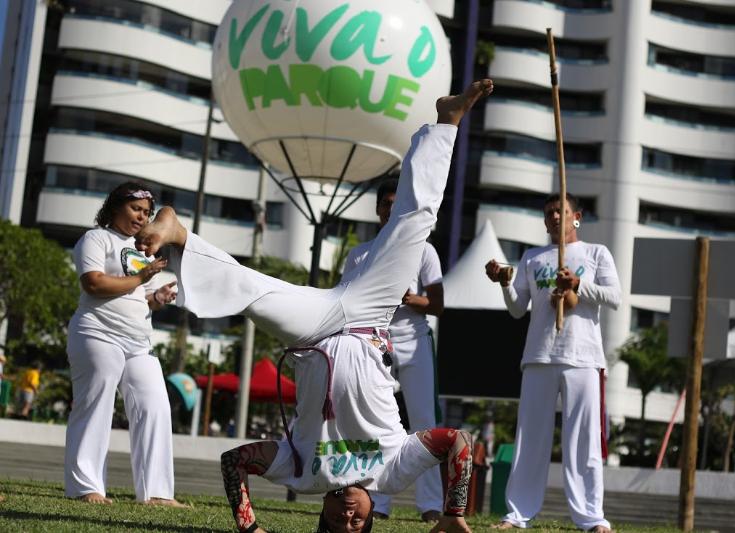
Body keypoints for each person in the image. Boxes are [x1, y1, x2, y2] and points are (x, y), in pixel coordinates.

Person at [135, 79, 494, 533]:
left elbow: (235, 461)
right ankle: (448, 120)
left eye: (336, 526)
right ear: (369, 523)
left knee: (250, 291)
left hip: (315, 331)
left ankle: (180, 233)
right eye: (356, 526)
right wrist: (453, 514)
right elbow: (457, 441)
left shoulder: (303, 474)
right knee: (414, 225)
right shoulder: (392, 471)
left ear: (320, 517)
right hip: (367, 316)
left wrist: (249, 527)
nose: (347, 517)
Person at [485, 193, 619, 532]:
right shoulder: (532, 257)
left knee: (583, 438)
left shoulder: (595, 253)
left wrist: (578, 284)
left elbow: (614, 297)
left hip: (582, 357)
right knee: (530, 437)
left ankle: (592, 518)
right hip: (539, 355)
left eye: (562, 211)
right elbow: (517, 308)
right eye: (550, 213)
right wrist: (504, 282)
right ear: (545, 221)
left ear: (577, 216)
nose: (556, 217)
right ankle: (517, 514)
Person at [63, 181, 183, 507]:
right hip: (97, 332)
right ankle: (86, 487)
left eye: (146, 212)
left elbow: (136, 295)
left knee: (155, 405)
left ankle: (157, 493)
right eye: (135, 209)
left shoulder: (143, 249)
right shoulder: (96, 238)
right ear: (115, 206)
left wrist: (156, 296)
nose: (142, 217)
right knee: (96, 406)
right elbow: (94, 284)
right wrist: (143, 279)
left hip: (138, 341)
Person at [341, 177, 445, 522]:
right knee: (375, 422)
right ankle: (377, 503)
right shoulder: (360, 254)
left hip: (414, 340)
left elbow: (437, 304)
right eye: (385, 204)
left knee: (423, 422)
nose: (390, 209)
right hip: (372, 341)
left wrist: (408, 298)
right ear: (377, 209)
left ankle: (430, 504)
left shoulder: (424, 250)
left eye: (396, 204)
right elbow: (346, 301)